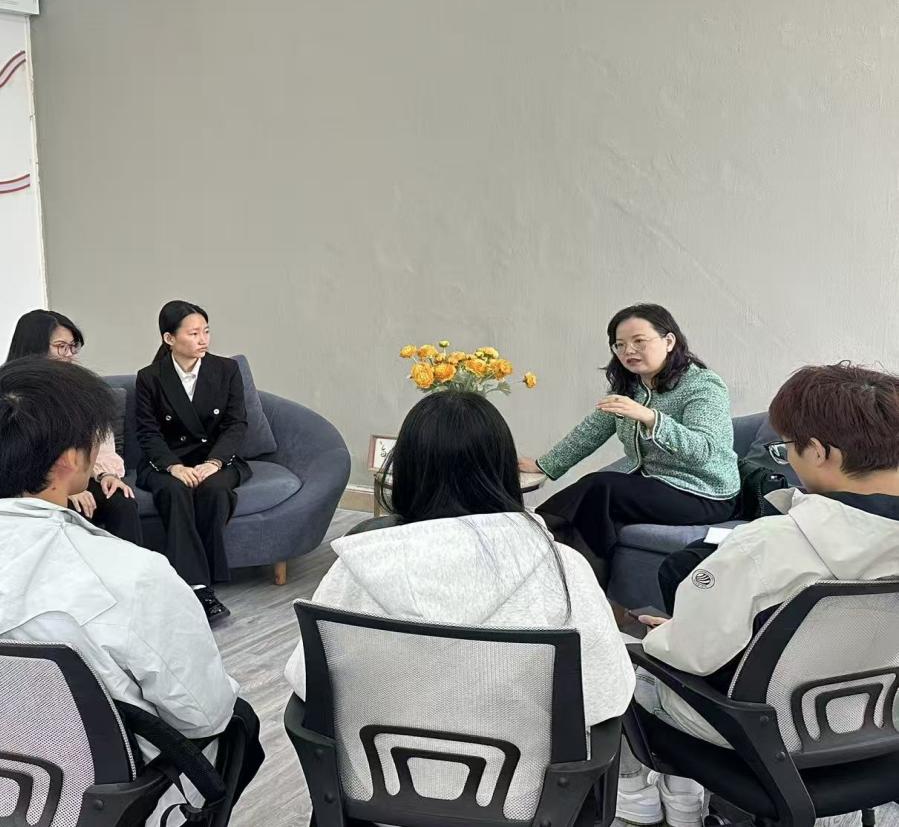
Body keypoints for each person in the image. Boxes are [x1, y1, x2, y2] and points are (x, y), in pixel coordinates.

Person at [0, 356, 262, 823]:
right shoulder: (131, 574)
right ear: (70, 461)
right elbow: (203, 715)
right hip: (93, 803)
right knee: (240, 723)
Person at [614, 363, 899, 827]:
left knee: (619, 660)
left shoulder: (768, 545)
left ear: (819, 452)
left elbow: (691, 657)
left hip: (765, 737)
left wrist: (668, 636)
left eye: (786, 450)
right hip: (881, 727)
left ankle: (648, 800)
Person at [284, 390, 635, 731]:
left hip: (380, 768)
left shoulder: (358, 564)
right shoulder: (564, 567)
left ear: (406, 470)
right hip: (525, 771)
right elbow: (606, 695)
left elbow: (307, 681)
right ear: (503, 470)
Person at [521, 303, 740, 586]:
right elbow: (589, 432)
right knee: (595, 504)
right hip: (654, 483)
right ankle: (573, 577)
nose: (629, 351)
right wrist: (544, 465)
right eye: (620, 345)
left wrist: (650, 418)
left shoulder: (703, 385)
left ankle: (534, 539)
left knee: (601, 487)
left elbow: (704, 451)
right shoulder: (631, 387)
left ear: (669, 341)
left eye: (639, 341)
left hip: (704, 492)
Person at [0, 308, 143, 545]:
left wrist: (107, 475)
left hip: (74, 475)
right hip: (25, 486)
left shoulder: (79, 388)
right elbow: (7, 458)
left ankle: (130, 563)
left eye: (72, 347)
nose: (69, 355)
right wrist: (63, 489)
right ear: (34, 347)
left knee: (121, 501)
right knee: (69, 510)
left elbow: (100, 440)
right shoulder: (6, 392)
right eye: (61, 347)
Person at [134, 301, 250, 623]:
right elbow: (148, 432)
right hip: (167, 461)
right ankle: (199, 588)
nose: (203, 340)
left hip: (216, 459)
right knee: (174, 491)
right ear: (169, 338)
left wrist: (214, 462)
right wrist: (174, 467)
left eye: (206, 332)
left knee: (214, 490)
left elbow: (236, 424)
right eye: (194, 333)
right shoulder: (150, 377)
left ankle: (198, 581)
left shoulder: (226, 370)